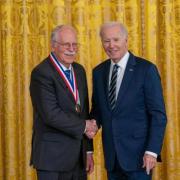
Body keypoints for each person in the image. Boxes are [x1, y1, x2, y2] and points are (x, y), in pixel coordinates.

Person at [90, 22, 167, 180]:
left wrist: (152, 151)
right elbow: (97, 109)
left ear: (126, 40)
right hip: (112, 158)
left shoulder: (146, 70)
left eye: (116, 40)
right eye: (106, 41)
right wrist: (92, 124)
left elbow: (158, 115)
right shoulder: (99, 72)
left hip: (140, 158)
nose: (111, 45)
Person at [30, 25, 96, 180]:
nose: (71, 49)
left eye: (75, 45)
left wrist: (88, 151)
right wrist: (85, 126)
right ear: (53, 46)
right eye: (66, 45)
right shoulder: (41, 73)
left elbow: (83, 110)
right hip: (52, 159)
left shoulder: (79, 70)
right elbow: (51, 115)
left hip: (79, 159)